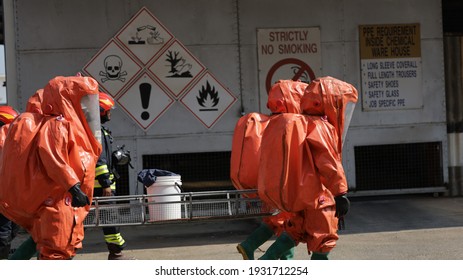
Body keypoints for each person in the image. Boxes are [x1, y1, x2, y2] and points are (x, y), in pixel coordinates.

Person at [0, 76, 102, 260]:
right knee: (56, 249)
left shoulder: (69, 126)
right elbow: (54, 159)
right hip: (58, 201)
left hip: (64, 200)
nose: (87, 107)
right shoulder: (57, 125)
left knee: (60, 247)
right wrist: (73, 187)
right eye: (83, 100)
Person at [256, 76, 358, 260]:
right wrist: (340, 193)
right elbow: (328, 163)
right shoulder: (321, 127)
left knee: (296, 231)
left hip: (301, 194)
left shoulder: (300, 122)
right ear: (330, 101)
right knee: (323, 239)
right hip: (319, 196)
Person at [231, 80, 308, 260]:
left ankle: (249, 245)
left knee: (276, 220)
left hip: (267, 184)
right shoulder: (288, 125)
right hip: (282, 186)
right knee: (287, 222)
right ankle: (283, 262)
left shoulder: (270, 123)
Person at [94, 91, 133, 260]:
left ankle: (116, 253)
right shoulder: (96, 133)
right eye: (108, 110)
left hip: (101, 187)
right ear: (101, 111)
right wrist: (106, 185)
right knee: (109, 221)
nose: (110, 113)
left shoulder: (100, 131)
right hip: (101, 189)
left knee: (107, 221)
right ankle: (116, 255)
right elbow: (99, 161)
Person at [0, 105, 20, 259]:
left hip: (11, 195)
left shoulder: (11, 144)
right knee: (4, 232)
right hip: (3, 196)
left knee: (12, 229)